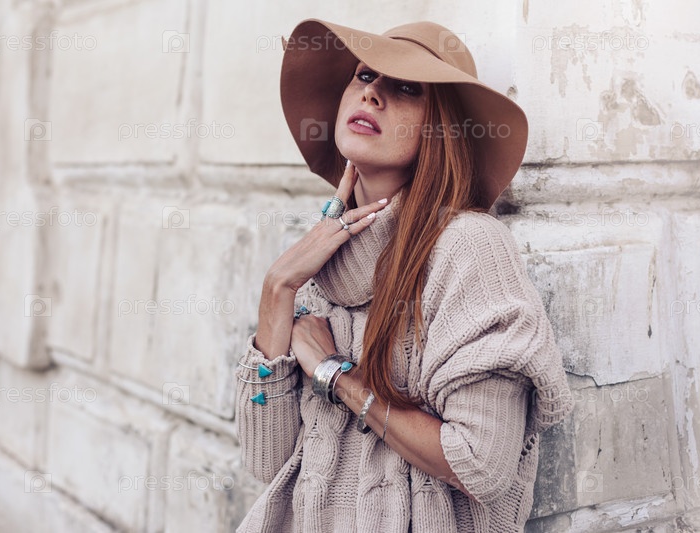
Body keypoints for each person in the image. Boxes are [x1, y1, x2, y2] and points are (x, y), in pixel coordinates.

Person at [234, 18, 573, 533]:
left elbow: (481, 462)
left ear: (441, 129)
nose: (371, 94)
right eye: (365, 76)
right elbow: (266, 459)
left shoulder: (468, 247)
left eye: (407, 88)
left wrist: (333, 374)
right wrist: (277, 288)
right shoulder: (318, 262)